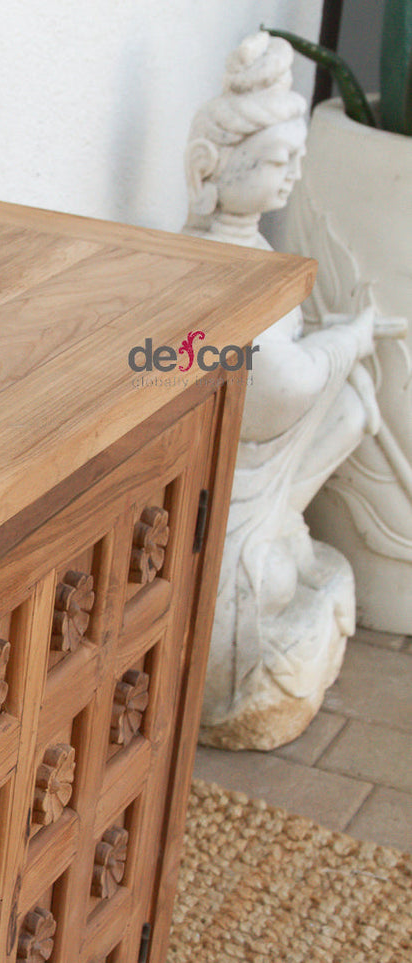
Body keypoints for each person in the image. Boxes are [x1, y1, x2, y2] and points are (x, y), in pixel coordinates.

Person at [183, 31, 404, 749]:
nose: (288, 178)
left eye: (294, 161)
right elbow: (278, 384)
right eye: (277, 161)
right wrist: (345, 337)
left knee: (348, 405)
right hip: (227, 526)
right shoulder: (204, 266)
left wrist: (335, 339)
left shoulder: (255, 255)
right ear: (210, 168)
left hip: (263, 491)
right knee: (339, 397)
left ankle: (295, 553)